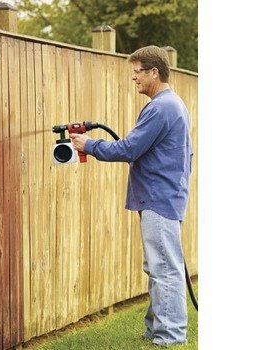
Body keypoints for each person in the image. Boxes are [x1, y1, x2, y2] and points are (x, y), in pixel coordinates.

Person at [69, 45, 193, 347]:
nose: (133, 78)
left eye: (137, 72)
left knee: (164, 268)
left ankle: (170, 335)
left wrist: (89, 145)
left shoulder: (162, 107)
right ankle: (156, 331)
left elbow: (128, 149)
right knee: (159, 266)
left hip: (159, 199)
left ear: (154, 72)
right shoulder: (170, 104)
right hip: (162, 196)